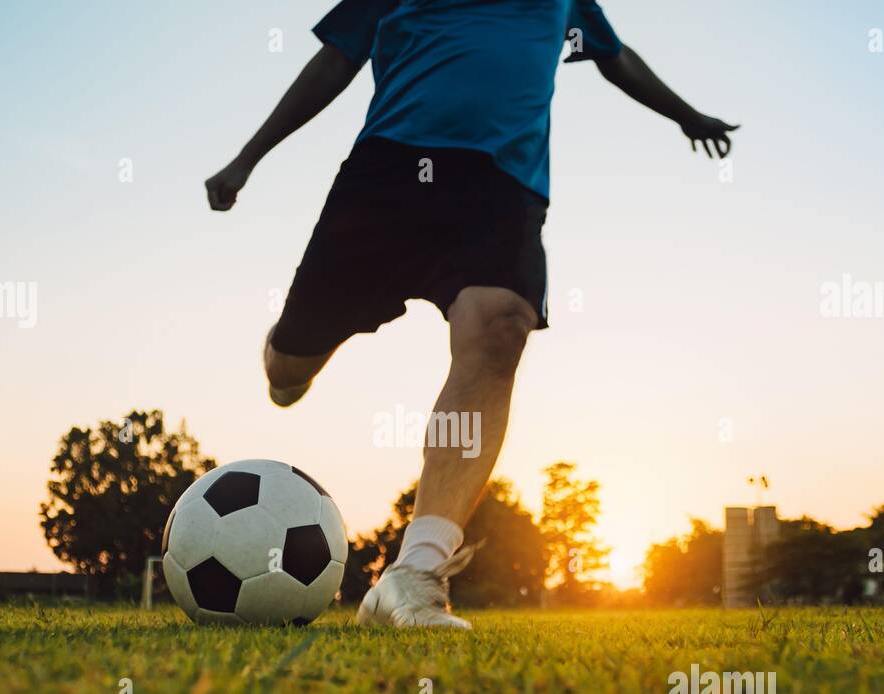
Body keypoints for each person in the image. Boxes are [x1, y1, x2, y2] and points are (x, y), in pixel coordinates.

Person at [205, 1, 738, 628]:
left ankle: (415, 574)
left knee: (501, 327)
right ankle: (289, 357)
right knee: (289, 368)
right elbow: (334, 61)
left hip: (502, 185)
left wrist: (686, 115)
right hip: (388, 174)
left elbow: (614, 57)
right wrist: (247, 157)